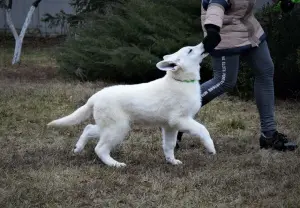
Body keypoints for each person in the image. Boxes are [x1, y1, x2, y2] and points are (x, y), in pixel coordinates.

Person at [176, 0, 298, 151]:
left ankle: (269, 135)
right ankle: (176, 118)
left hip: (247, 27)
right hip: (223, 31)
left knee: (265, 70)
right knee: (224, 81)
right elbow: (215, 4)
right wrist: (212, 28)